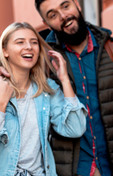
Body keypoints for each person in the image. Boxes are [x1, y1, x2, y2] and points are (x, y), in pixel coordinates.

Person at [34, 0, 113, 176]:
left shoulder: (112, 50)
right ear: (46, 23)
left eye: (65, 6)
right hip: (74, 168)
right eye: (53, 14)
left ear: (77, 4)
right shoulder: (44, 60)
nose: (63, 16)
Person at [0, 22, 87, 176]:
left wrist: (64, 79)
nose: (29, 47)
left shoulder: (46, 89)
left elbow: (75, 128)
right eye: (20, 42)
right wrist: (1, 105)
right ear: (5, 50)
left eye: (34, 42)